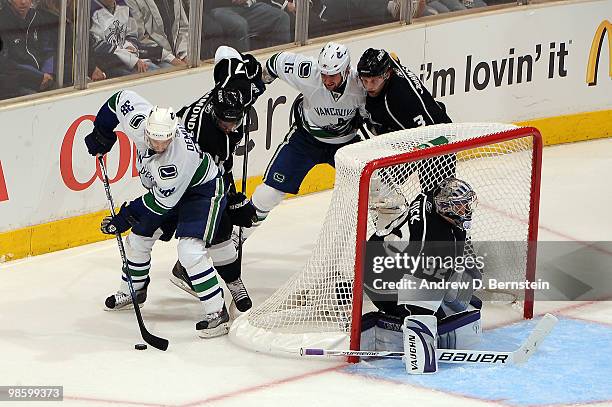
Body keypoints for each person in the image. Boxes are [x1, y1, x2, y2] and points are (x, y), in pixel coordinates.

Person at [84, 90, 230, 338]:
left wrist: (126, 216)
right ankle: (134, 290)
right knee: (137, 239)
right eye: (154, 139)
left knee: (189, 252)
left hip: (200, 193)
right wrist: (102, 132)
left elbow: (162, 204)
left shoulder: (176, 161)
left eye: (164, 141)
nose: (158, 145)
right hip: (167, 194)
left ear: (173, 135)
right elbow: (119, 100)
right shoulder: (140, 121)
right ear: (147, 128)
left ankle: (218, 314)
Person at [169, 46, 266, 313]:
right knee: (219, 226)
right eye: (226, 124)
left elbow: (229, 59)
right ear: (214, 114)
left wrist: (253, 71)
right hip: (187, 174)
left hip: (216, 165)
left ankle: (231, 278)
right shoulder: (203, 137)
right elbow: (212, 179)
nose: (231, 128)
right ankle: (224, 279)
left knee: (224, 217)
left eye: (235, 123)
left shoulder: (237, 93)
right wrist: (233, 200)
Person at [361, 177, 483, 373]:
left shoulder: (430, 198)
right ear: (446, 208)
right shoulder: (435, 243)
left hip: (381, 255)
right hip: (380, 281)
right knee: (437, 315)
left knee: (463, 293)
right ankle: (394, 327)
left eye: (466, 204)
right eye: (460, 206)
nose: (466, 210)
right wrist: (420, 339)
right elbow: (417, 294)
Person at [246, 42, 368, 235]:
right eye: (324, 74)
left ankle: (387, 240)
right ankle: (237, 237)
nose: (327, 80)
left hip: (346, 145)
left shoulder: (361, 85)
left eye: (333, 75)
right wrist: (257, 83)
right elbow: (276, 62)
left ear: (345, 71)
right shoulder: (308, 72)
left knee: (378, 187)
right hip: (305, 140)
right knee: (268, 193)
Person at [357, 47, 455, 194]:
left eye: (373, 81)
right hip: (415, 132)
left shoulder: (401, 99)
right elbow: (393, 57)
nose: (369, 86)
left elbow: (425, 136)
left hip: (436, 143)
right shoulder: (389, 65)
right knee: (377, 185)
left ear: (387, 74)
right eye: (365, 80)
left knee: (437, 197)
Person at [0, 0, 59, 98]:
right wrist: (36, 77)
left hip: (43, 77)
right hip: (17, 83)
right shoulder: (2, 21)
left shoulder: (38, 17)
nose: (23, 2)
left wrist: (48, 73)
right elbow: (4, 62)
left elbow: (48, 48)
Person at [90, 0, 161, 78]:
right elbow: (98, 46)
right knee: (144, 76)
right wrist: (131, 59)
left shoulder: (124, 5)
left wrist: (129, 45)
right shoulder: (91, 10)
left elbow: (132, 34)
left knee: (159, 69)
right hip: (109, 65)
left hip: (131, 57)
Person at [206, 0, 290, 52]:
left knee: (281, 17)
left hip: (249, 6)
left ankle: (278, 62)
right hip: (221, 7)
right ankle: (244, 66)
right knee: (240, 24)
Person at [124, 0, 188, 67]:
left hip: (178, 54)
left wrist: (184, 55)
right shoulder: (132, 1)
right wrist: (171, 58)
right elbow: (140, 38)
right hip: (154, 57)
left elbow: (183, 27)